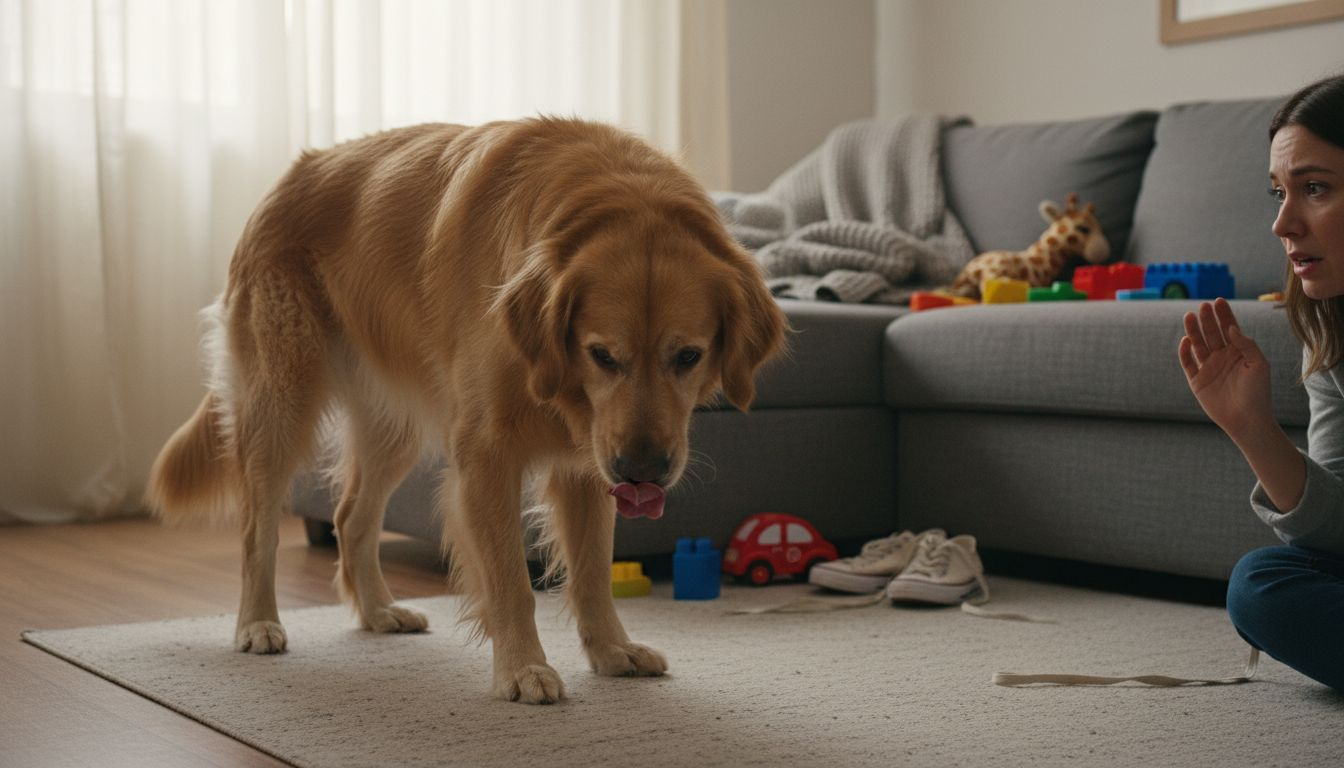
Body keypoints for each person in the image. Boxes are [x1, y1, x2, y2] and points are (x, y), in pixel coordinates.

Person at [1178, 73, 1344, 693]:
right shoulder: (1330, 331)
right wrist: (1253, 429)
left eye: (1315, 188)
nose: (1282, 223)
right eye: (1279, 192)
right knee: (1261, 582)